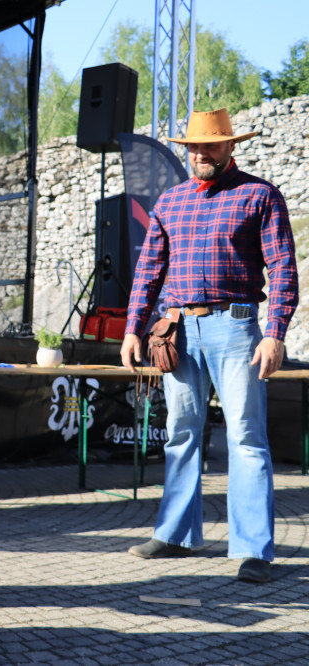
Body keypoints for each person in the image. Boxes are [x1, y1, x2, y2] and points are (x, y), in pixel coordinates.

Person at [120, 108, 298, 584]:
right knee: (181, 433)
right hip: (180, 331)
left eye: (211, 146)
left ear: (231, 146)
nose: (201, 154)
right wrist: (134, 328)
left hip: (238, 328)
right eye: (194, 146)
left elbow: (282, 268)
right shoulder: (170, 202)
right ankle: (176, 535)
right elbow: (148, 271)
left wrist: (276, 333)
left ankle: (253, 548)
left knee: (245, 438)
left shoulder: (260, 195)